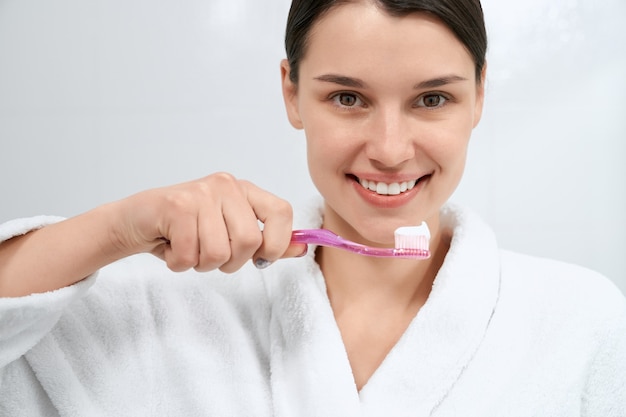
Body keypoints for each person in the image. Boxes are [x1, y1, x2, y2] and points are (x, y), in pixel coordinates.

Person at [0, 0, 624, 415]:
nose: (388, 149)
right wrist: (120, 227)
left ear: (480, 95)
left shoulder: (580, 320)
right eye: (348, 98)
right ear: (292, 93)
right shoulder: (165, 309)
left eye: (432, 100)